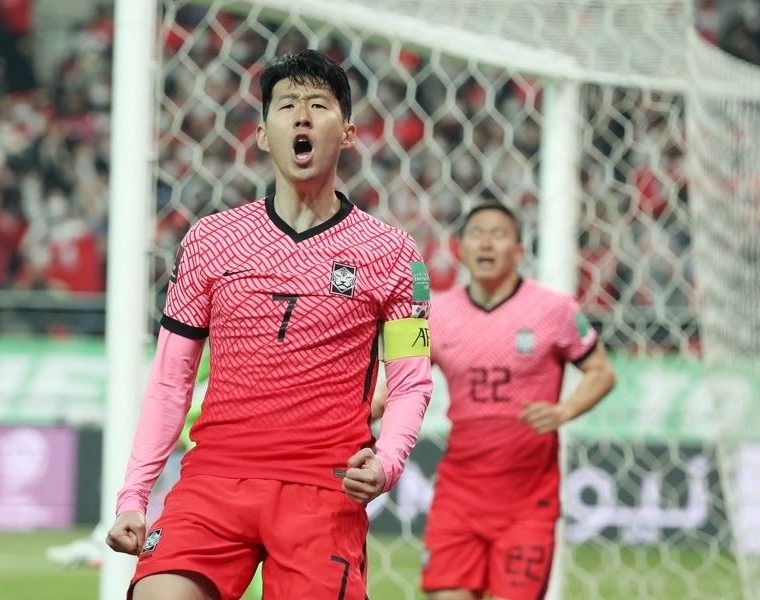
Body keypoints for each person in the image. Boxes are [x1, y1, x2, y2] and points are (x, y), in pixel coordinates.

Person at [106, 49, 434, 600]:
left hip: (323, 491)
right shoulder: (210, 240)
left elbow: (411, 381)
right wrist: (133, 497)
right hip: (214, 481)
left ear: (348, 133)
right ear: (262, 134)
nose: (302, 116)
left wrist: (388, 462)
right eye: (286, 106)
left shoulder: (396, 254)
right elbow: (170, 381)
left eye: (318, 105)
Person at [420, 201, 617, 600]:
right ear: (460, 247)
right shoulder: (434, 314)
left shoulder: (555, 310)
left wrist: (564, 410)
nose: (486, 243)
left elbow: (602, 372)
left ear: (519, 251)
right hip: (459, 495)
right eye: (476, 234)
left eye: (498, 234)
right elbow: (401, 382)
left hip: (527, 503)